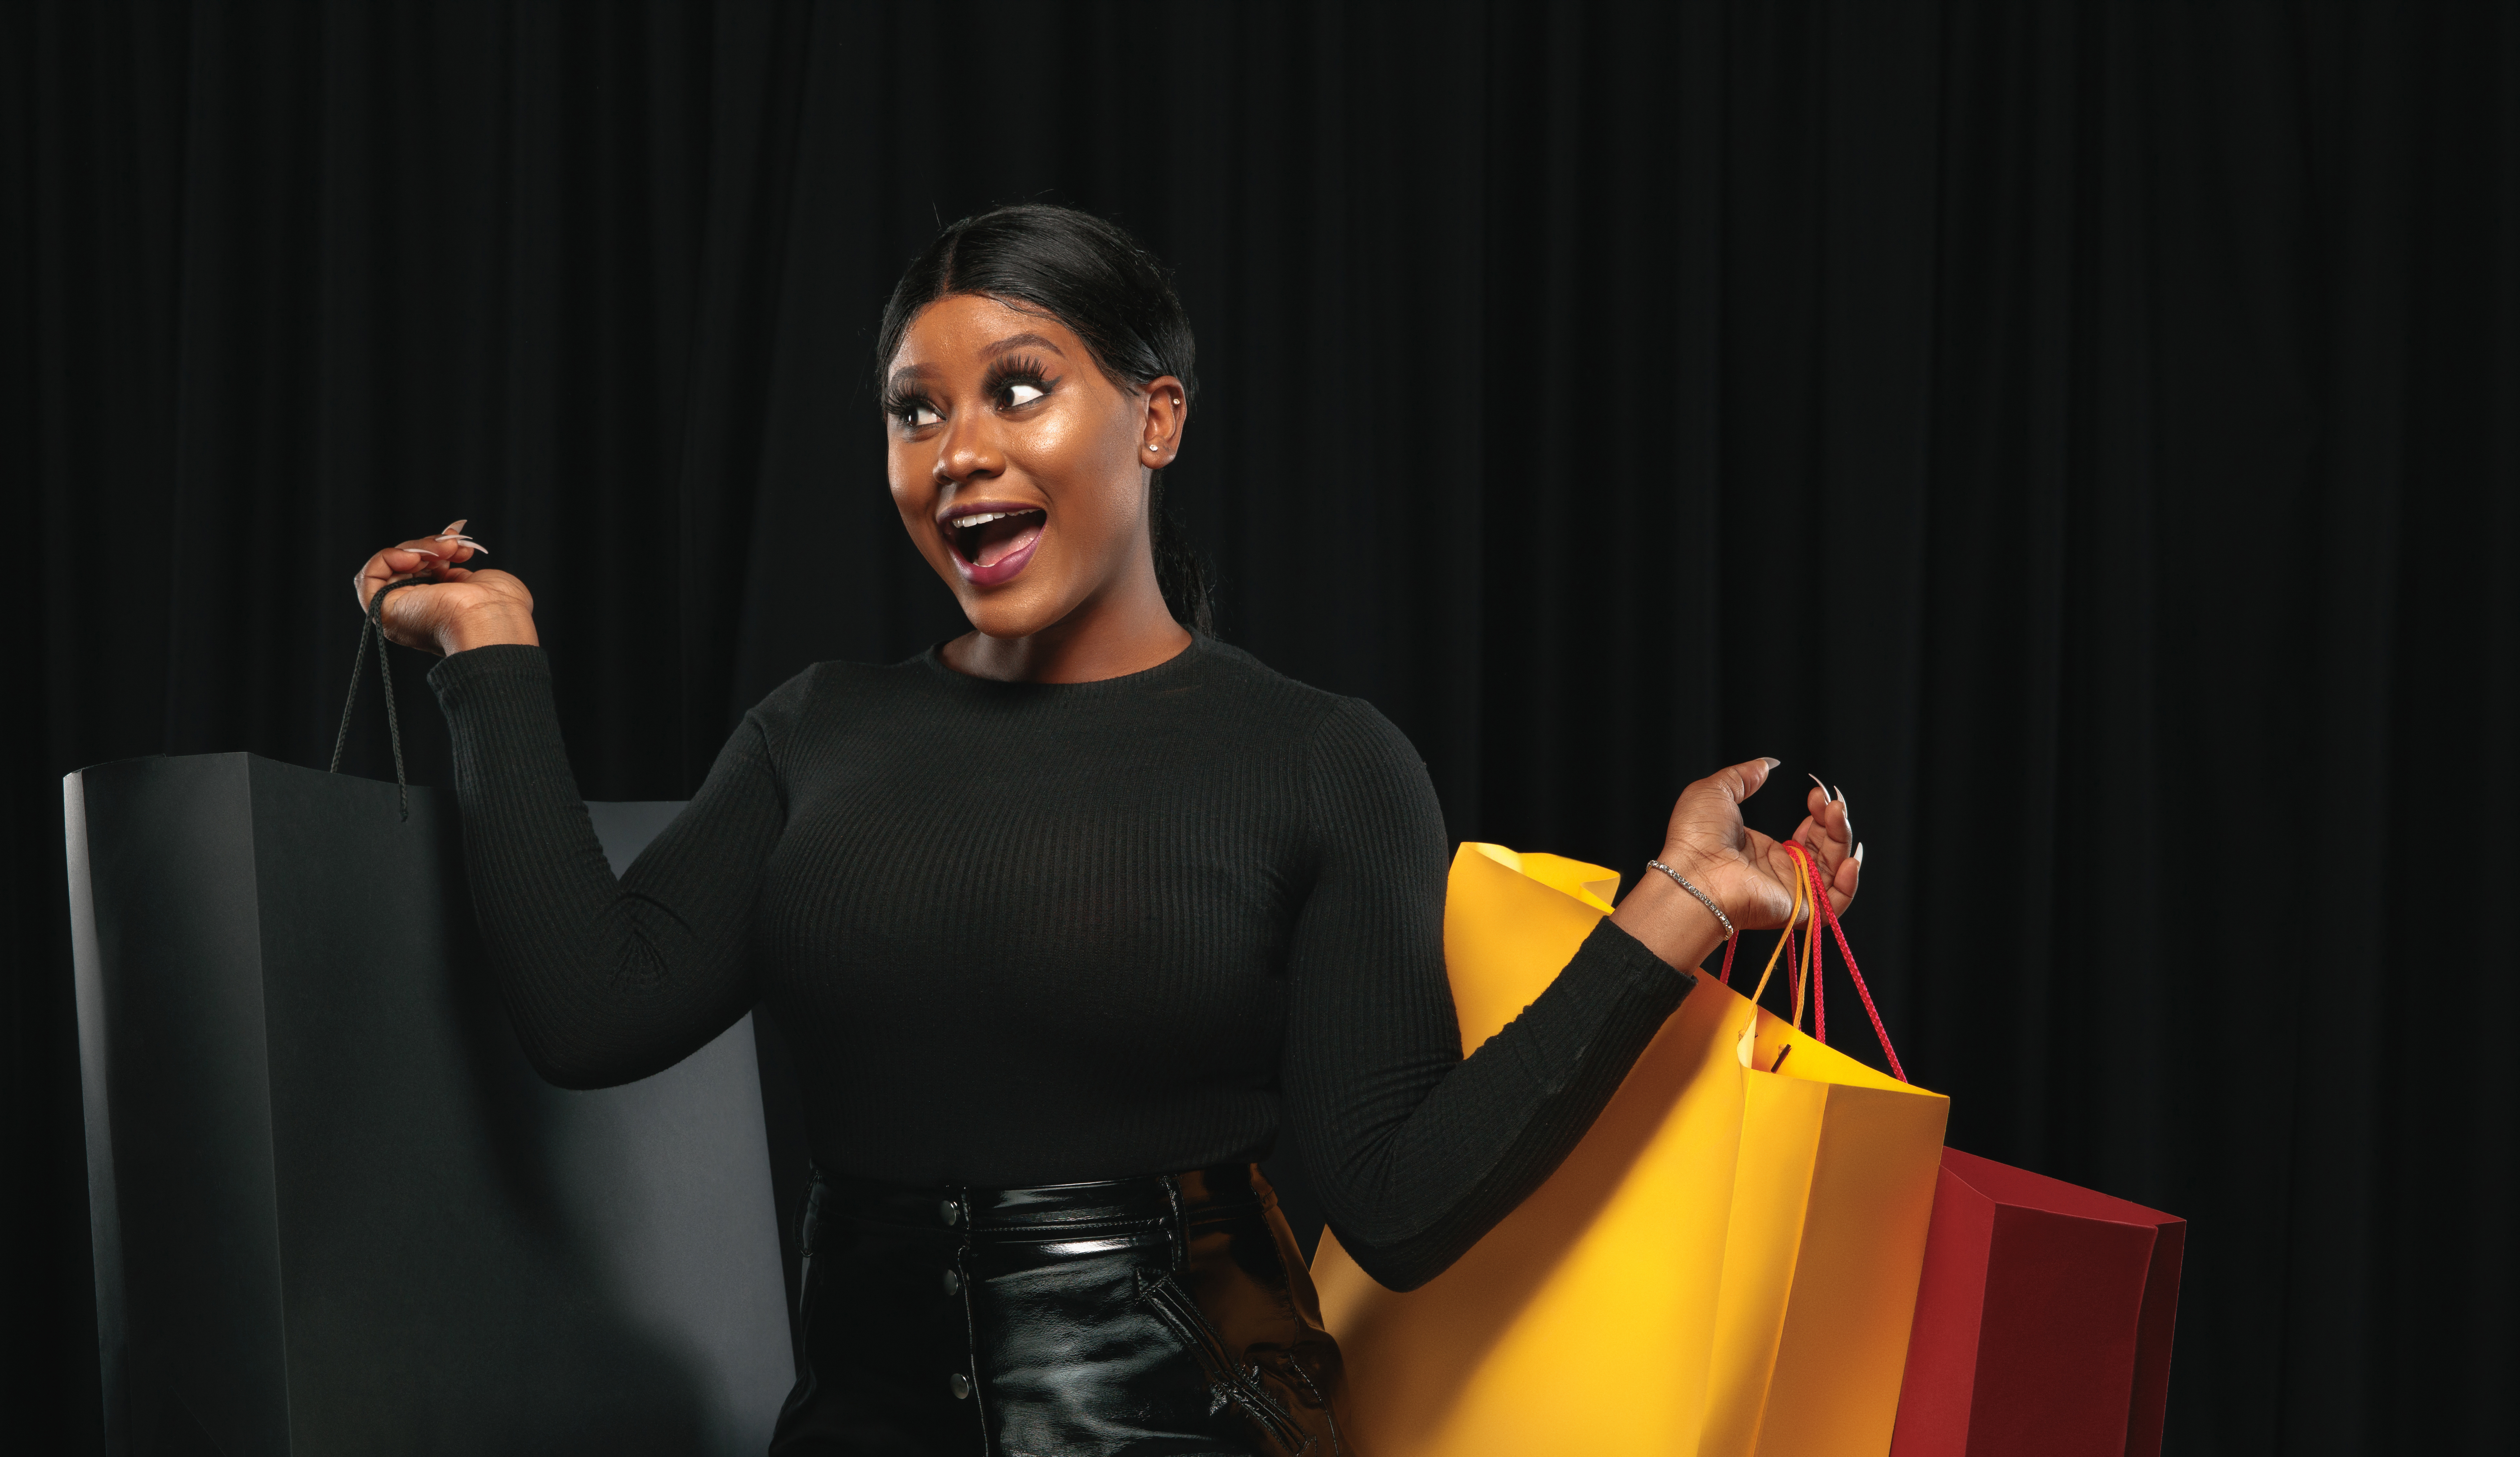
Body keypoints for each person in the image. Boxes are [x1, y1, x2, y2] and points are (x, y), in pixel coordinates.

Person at [355, 204, 1860, 1456]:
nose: (956, 449)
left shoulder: (1321, 760)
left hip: (1182, 1427)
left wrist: (1676, 903)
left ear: (1155, 418)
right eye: (913, 411)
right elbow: (591, 1006)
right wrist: (491, 655)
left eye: (1019, 387)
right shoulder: (817, 729)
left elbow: (1398, 1201)